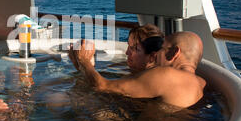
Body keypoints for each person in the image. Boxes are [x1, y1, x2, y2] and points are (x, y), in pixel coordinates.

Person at [70, 31, 206, 108]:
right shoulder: (201, 83)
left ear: (174, 53)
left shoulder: (167, 75)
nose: (157, 54)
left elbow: (100, 85)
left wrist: (83, 59)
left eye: (162, 48)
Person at [69, 24, 164, 73]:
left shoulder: (149, 80)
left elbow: (100, 86)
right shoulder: (129, 68)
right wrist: (85, 66)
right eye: (128, 46)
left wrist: (83, 61)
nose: (127, 52)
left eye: (134, 49)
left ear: (152, 56)